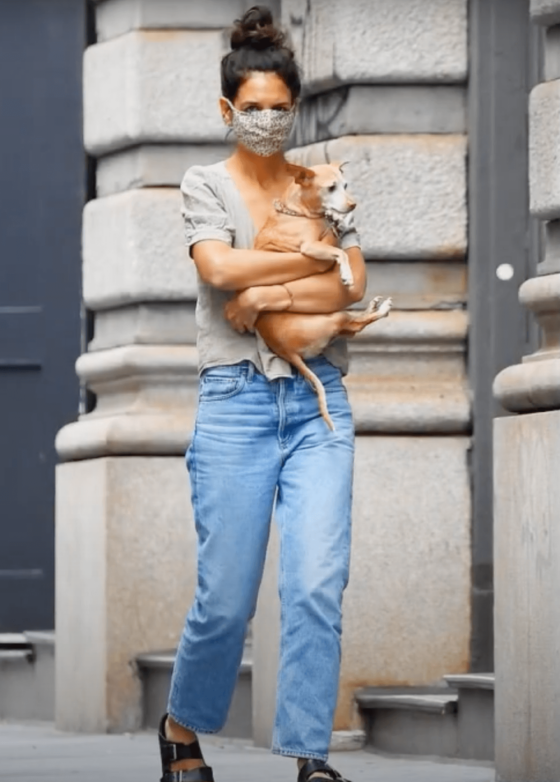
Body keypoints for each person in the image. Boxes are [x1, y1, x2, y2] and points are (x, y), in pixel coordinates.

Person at [158, 6, 367, 782]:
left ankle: (310, 758)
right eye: (255, 110)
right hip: (235, 405)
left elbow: (356, 278)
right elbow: (218, 272)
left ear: (296, 109)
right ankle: (181, 725)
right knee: (226, 599)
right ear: (227, 111)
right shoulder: (203, 183)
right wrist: (304, 274)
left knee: (316, 583)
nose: (270, 122)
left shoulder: (317, 181)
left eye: (282, 110)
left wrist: (270, 293)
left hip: (319, 404)